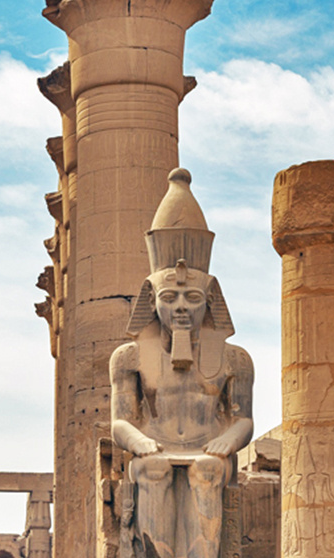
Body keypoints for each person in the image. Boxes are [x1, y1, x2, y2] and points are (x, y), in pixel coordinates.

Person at [110, 168, 253, 558]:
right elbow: (121, 421)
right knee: (153, 470)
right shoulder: (129, 356)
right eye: (169, 298)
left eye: (192, 298)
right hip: (153, 448)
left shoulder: (235, 358)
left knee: (207, 470)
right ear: (151, 300)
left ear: (210, 301)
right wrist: (139, 442)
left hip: (207, 450)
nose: (180, 308)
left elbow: (243, 419)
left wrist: (227, 441)